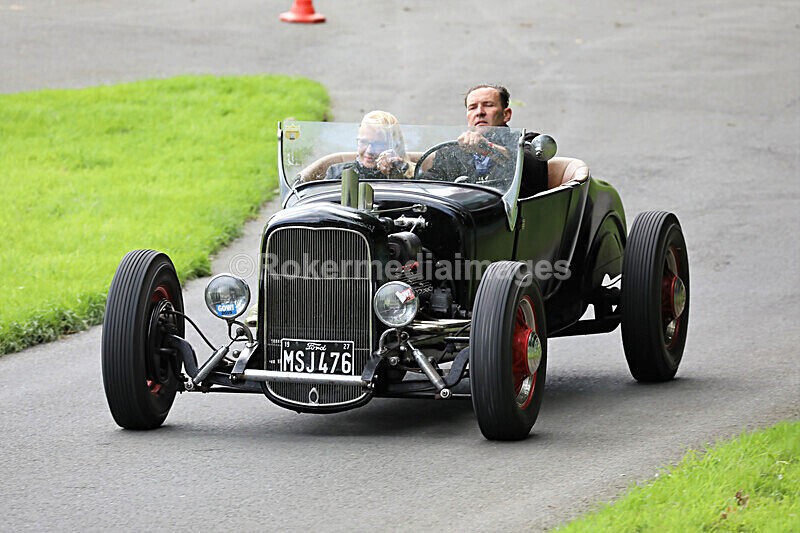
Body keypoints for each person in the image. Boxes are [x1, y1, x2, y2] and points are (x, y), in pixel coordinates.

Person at [423, 84, 549, 196]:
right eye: (472, 107)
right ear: (467, 116)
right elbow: (427, 186)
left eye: (488, 105)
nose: (479, 112)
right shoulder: (449, 152)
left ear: (506, 114)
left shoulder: (526, 142)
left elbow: (529, 166)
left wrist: (486, 147)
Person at [325, 110, 415, 180]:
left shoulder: (412, 177)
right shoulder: (337, 173)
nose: (369, 151)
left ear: (394, 147)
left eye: (378, 144)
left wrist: (395, 174)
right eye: (364, 142)